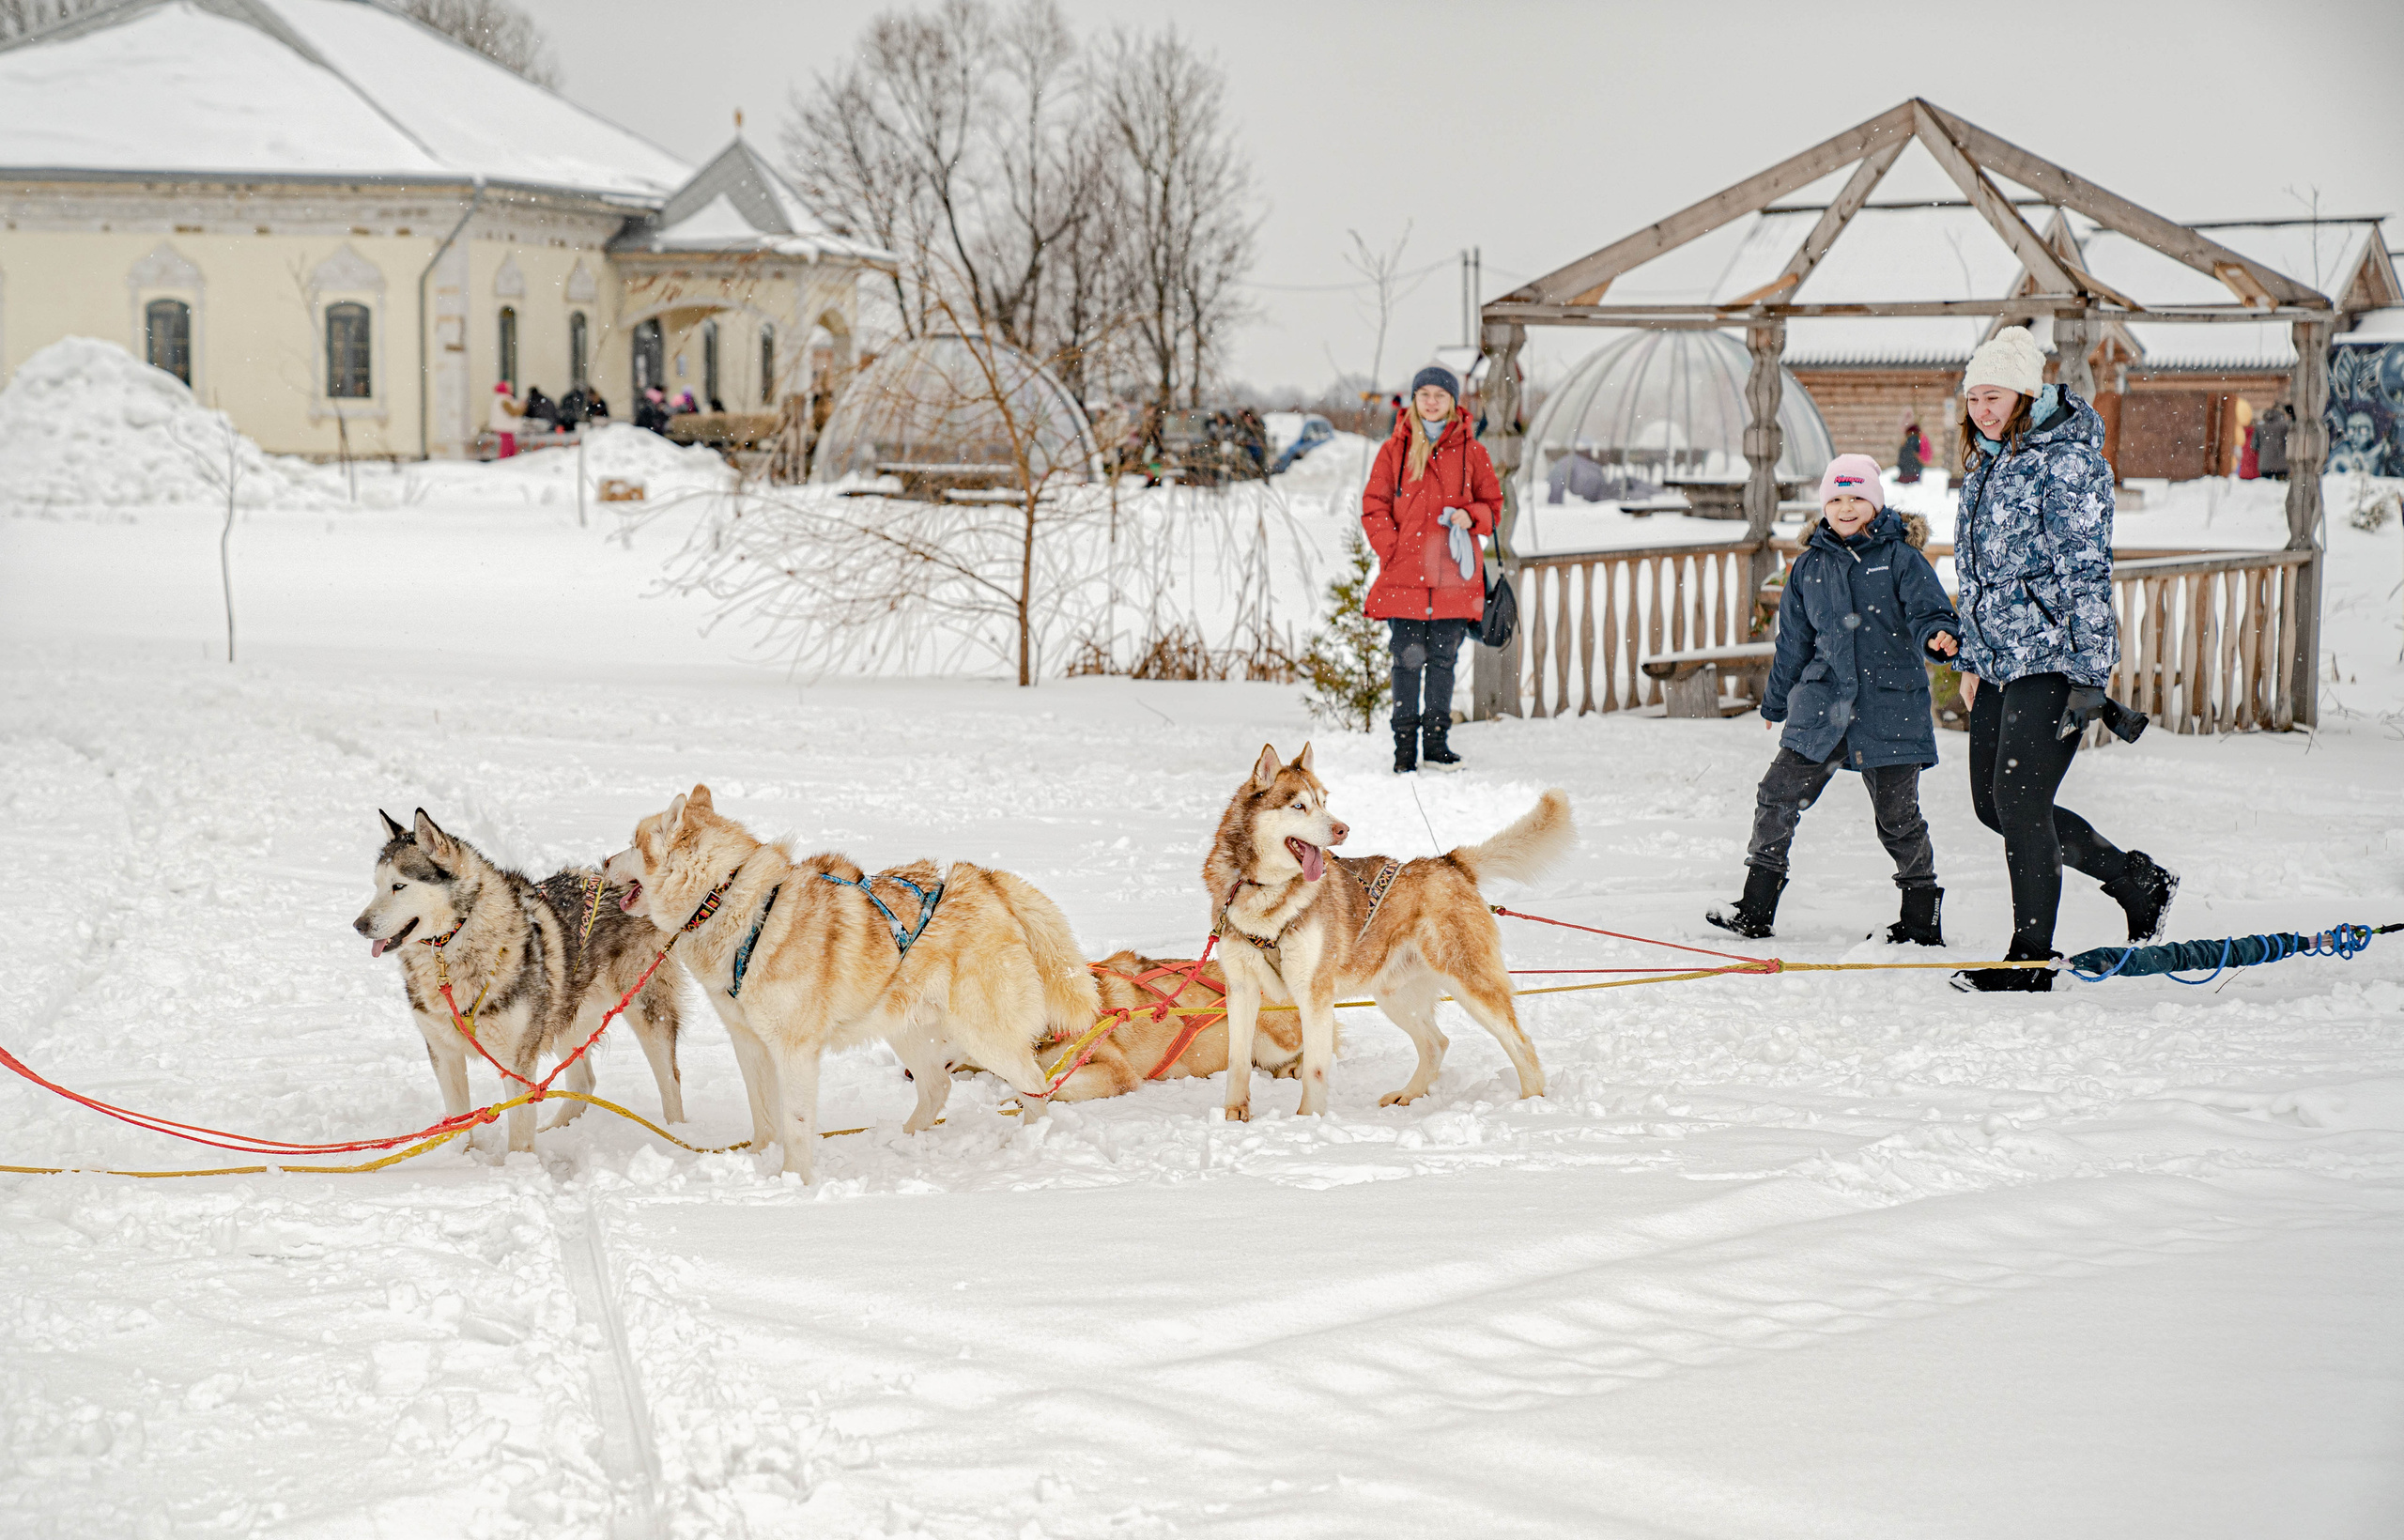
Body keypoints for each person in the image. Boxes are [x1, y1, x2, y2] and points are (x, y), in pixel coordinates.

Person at [1950, 327, 2177, 993]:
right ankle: (2137, 880)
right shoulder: (1985, 463)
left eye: (1994, 396)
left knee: (2020, 801)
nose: (1982, 410)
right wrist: (1971, 657)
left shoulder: (2069, 463)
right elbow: (1977, 575)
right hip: (1996, 661)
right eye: (1974, 399)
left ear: (2026, 392)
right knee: (1994, 808)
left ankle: (2030, 959)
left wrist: (2088, 674)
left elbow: (2086, 573)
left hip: (2050, 659)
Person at [1707, 454, 1961, 945]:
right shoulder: (1809, 567)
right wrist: (1776, 702)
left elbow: (1932, 613)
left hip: (1888, 707)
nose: (1846, 508)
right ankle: (1756, 907)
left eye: (1857, 498)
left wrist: (1939, 637)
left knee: (1898, 818)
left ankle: (1920, 918)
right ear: (1824, 505)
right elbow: (1793, 645)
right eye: (1836, 499)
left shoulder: (1901, 559)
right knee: (1777, 795)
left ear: (1875, 503)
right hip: (1821, 706)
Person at [1361, 365, 1496, 774]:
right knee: (1406, 661)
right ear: (1415, 399)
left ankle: (1436, 746)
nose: (1432, 401)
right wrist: (1394, 549)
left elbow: (1493, 506)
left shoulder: (1473, 451)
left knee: (1442, 662)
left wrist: (1471, 516)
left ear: (1453, 401)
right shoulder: (1394, 449)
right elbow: (1374, 507)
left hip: (1454, 575)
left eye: (1440, 394)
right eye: (1424, 394)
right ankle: (1405, 750)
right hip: (1405, 577)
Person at [488, 380, 523, 458]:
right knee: (508, 448)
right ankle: (506, 463)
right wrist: (522, 407)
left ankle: (506, 461)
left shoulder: (500, 399)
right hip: (505, 427)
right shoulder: (505, 400)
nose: (512, 389)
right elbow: (513, 412)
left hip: (503, 426)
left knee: (507, 446)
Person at [2256, 401, 2290, 480]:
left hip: (2265, 463)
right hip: (2282, 464)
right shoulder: (2285, 426)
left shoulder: (2260, 426)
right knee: (2280, 489)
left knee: (2265, 488)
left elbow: (2254, 445)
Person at [1896, 420, 1928, 484]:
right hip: (1914, 473)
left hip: (1906, 474)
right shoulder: (1917, 441)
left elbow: (1903, 459)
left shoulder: (1908, 442)